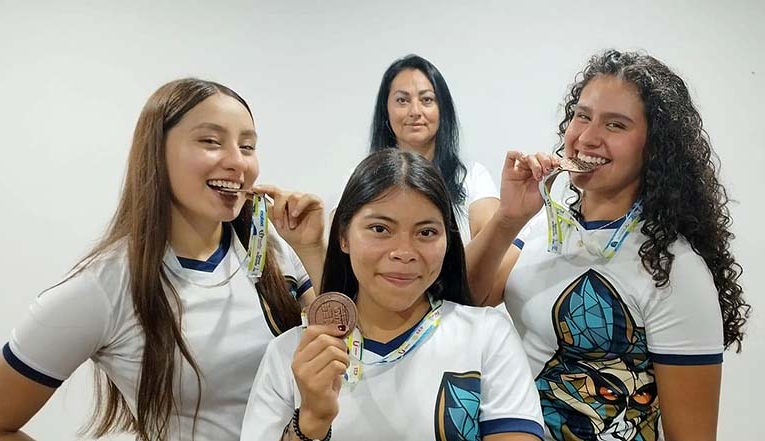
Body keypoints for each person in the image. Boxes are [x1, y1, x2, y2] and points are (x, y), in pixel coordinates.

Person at [0, 78, 327, 440]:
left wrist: (311, 250)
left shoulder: (273, 249)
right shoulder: (104, 286)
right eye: (210, 141)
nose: (237, 162)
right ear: (156, 151)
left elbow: (346, 356)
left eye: (247, 146)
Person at [468, 50, 750, 440]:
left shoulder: (673, 267)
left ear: (654, 147)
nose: (587, 137)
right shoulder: (545, 227)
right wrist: (508, 218)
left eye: (615, 125)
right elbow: (469, 297)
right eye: (582, 116)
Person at [241, 149, 544, 441]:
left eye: (426, 232)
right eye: (380, 229)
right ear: (343, 236)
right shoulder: (290, 354)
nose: (404, 253)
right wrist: (310, 423)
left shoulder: (487, 337)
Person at [366, 54, 501, 243]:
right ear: (386, 111)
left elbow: (493, 255)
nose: (415, 112)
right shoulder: (359, 179)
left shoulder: (473, 177)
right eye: (402, 101)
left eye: (427, 100)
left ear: (442, 109)